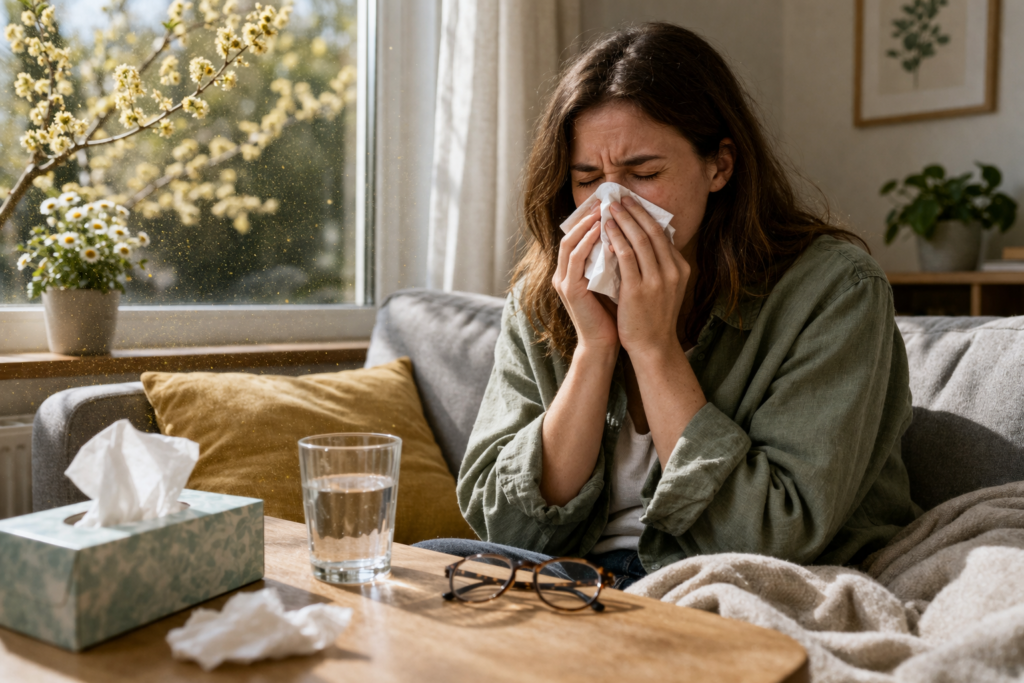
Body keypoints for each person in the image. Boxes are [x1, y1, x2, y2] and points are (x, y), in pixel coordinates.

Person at [415, 22, 918, 590]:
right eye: (588, 180)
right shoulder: (548, 290)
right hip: (573, 578)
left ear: (719, 166)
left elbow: (775, 536)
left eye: (644, 174)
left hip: (716, 577)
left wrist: (653, 349)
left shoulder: (834, 291)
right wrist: (595, 349)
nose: (612, 204)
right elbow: (507, 528)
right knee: (426, 565)